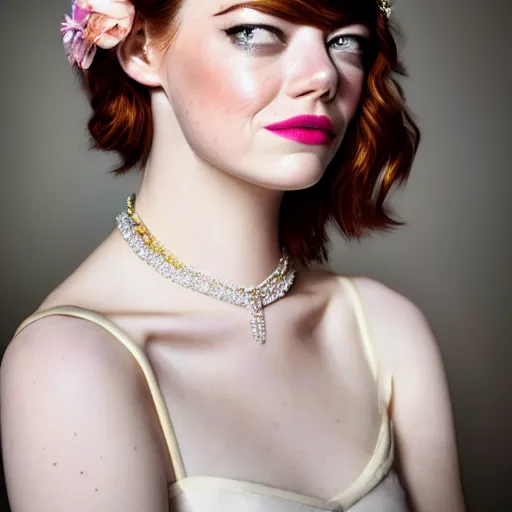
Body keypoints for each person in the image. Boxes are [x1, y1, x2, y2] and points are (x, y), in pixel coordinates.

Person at [0, 0, 466, 510]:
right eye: (255, 32)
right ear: (140, 49)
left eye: (345, 41)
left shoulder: (385, 329)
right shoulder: (72, 362)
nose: (322, 76)